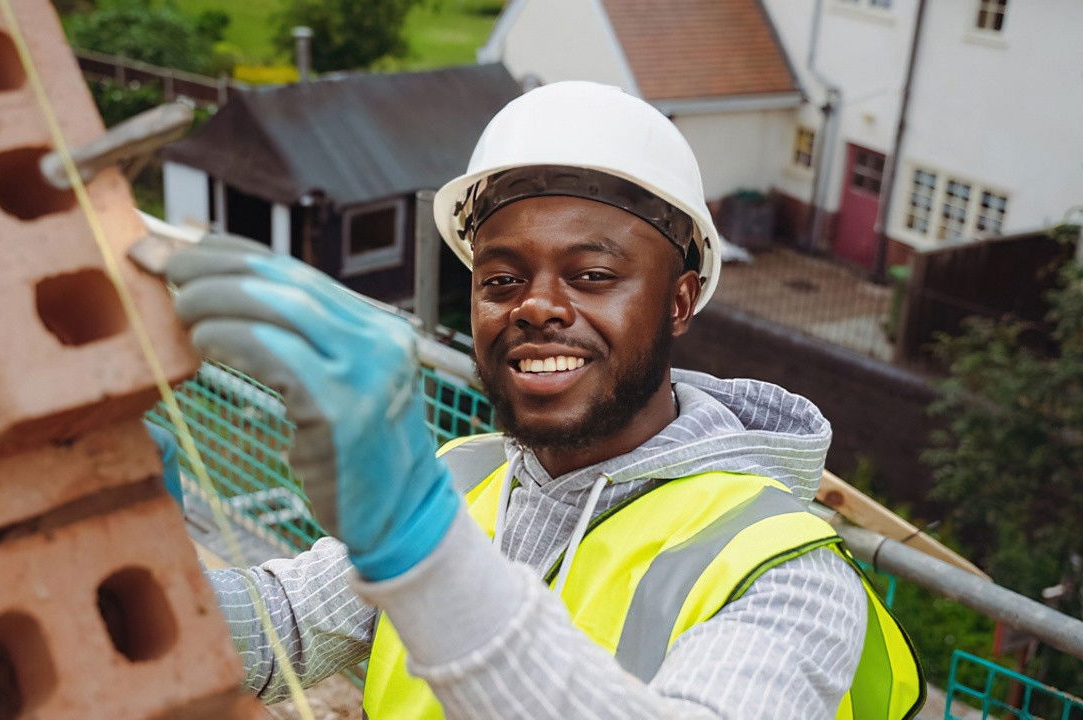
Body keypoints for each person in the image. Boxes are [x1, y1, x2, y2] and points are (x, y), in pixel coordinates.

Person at [164, 82, 922, 719]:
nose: (534, 307)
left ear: (680, 302)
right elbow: (280, 634)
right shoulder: (462, 479)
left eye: (592, 274)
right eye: (501, 281)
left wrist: (421, 550)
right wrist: (125, 518)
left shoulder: (786, 577)